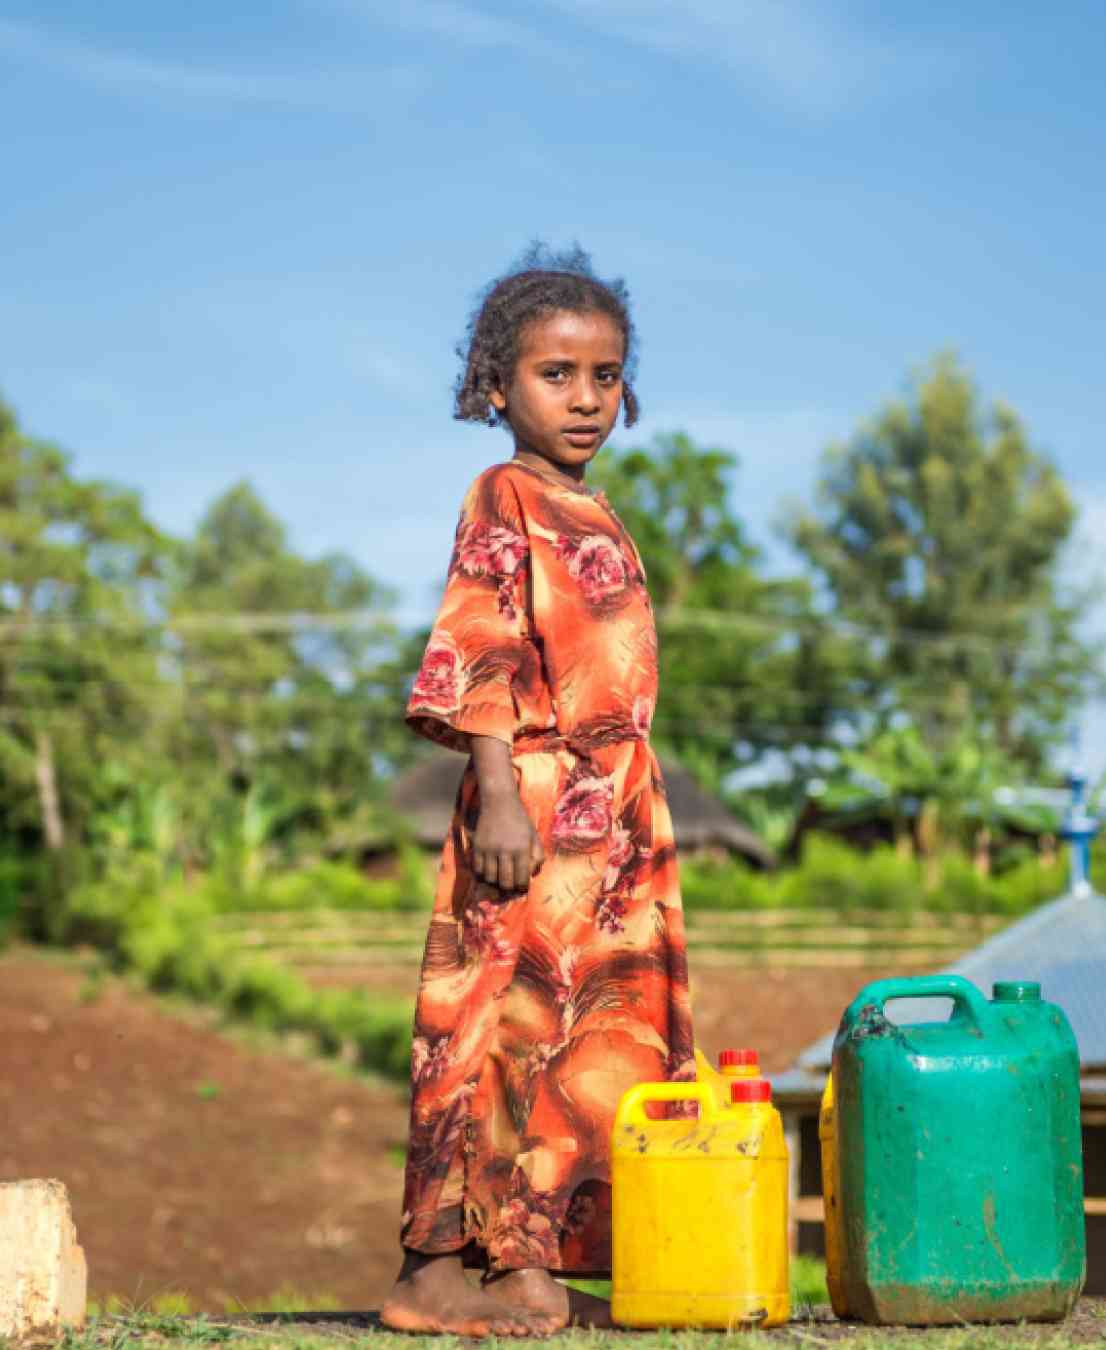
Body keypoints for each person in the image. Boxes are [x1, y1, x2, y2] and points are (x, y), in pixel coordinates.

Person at [379, 245, 696, 1337]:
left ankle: (531, 1262)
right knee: (490, 1030)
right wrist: (500, 794)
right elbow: (484, 647)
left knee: (588, 1047)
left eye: (604, 375)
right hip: (533, 806)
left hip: (611, 835)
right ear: (496, 387)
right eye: (555, 375)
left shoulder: (593, 507)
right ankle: (431, 1270)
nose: (586, 398)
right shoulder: (503, 494)